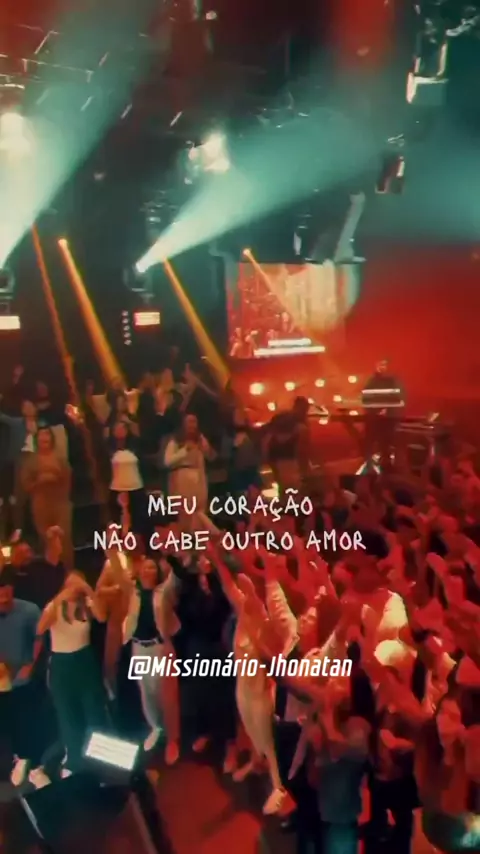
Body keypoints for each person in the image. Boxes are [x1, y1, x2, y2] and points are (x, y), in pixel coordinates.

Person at [104, 549, 181, 763]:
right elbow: (118, 571)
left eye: (152, 567)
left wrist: (172, 553)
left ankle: (172, 739)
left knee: (166, 694)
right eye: (145, 567)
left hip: (159, 648)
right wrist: (111, 549)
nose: (148, 571)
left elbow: (176, 578)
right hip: (139, 647)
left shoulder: (163, 592)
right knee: (147, 693)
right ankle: (156, 728)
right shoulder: (132, 591)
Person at [37, 570, 109, 775]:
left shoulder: (87, 604)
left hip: (85, 660)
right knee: (68, 715)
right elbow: (40, 629)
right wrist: (60, 598)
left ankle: (100, 763)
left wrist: (87, 589)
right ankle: (75, 763)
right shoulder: (54, 606)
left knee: (94, 712)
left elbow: (102, 616)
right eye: (71, 584)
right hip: (62, 664)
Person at [0, 567, 51, 789]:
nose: (3, 596)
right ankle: (19, 759)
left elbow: (40, 638)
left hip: (27, 677)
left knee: (32, 721)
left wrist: (30, 665)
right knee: (10, 723)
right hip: (3, 679)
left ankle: (37, 767)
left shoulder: (29, 610)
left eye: (6, 590)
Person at [21, 427, 73, 567]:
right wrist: (39, 481)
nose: (44, 437)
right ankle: (49, 572)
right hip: (40, 503)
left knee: (63, 539)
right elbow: (25, 484)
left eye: (47, 434)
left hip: (60, 503)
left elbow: (68, 479)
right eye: (41, 435)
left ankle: (66, 570)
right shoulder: (31, 461)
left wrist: (55, 479)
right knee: (45, 539)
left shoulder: (60, 458)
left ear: (52, 439)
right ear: (36, 439)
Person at [164, 413, 213, 514]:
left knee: (198, 512)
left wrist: (204, 446)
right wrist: (185, 450)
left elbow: (210, 456)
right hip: (181, 482)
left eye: (194, 422)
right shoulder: (175, 441)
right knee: (184, 512)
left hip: (198, 481)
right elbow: (167, 462)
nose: (192, 425)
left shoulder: (200, 439)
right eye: (189, 422)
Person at [263, 396, 311, 495]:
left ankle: (284, 500)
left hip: (275, 456)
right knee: (291, 488)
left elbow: (268, 438)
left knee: (283, 486)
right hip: (287, 458)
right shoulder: (300, 425)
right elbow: (302, 449)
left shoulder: (281, 417)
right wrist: (305, 469)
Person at [361, 360, 405, 469]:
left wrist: (388, 410)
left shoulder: (394, 381)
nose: (381, 367)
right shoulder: (372, 381)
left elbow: (399, 399)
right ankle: (370, 466)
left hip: (388, 419)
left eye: (384, 365)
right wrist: (374, 411)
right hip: (374, 419)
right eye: (379, 365)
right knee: (370, 442)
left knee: (386, 443)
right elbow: (365, 398)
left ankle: (386, 465)